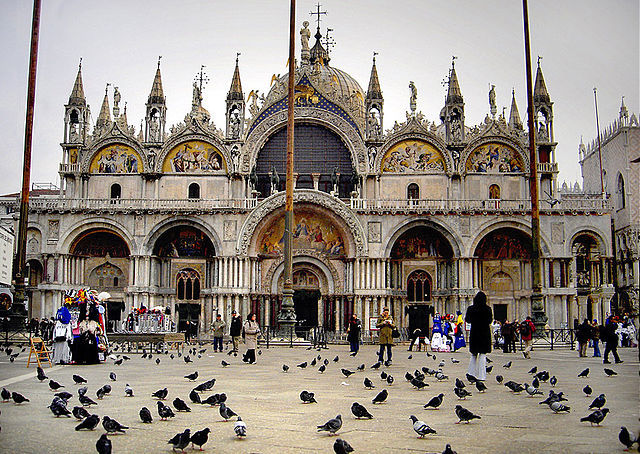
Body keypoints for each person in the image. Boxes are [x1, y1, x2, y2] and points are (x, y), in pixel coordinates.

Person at [465, 291, 493, 381]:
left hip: (475, 333)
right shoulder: (488, 309)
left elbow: (468, 320)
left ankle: (471, 374)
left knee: (473, 355)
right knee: (482, 355)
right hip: (484, 333)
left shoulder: (471, 309)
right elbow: (490, 321)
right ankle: (482, 376)